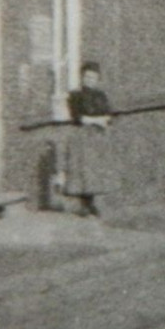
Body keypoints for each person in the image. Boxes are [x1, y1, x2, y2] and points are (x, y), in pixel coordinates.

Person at [64, 61, 114, 218]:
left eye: (93, 77)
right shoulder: (75, 95)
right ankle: (84, 204)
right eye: (87, 76)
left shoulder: (101, 95)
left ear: (97, 79)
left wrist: (104, 120)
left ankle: (92, 202)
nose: (90, 80)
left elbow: (108, 113)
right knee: (84, 168)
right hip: (83, 134)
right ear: (82, 77)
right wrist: (97, 120)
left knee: (95, 169)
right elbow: (77, 117)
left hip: (98, 136)